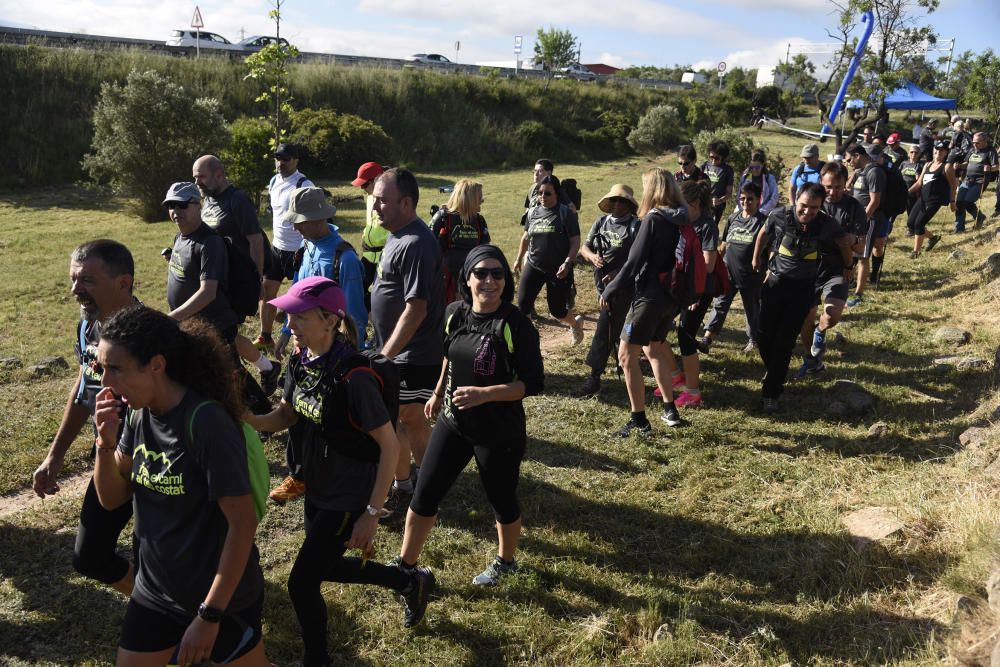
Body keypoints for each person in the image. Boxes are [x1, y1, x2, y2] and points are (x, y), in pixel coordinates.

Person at [246, 278, 434, 664]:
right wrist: (246, 418)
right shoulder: (302, 361)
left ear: (330, 320)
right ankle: (408, 581)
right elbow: (286, 414)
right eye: (288, 315)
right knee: (327, 564)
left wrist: (371, 513)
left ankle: (318, 660)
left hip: (350, 495)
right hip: (317, 484)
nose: (289, 323)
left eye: (299, 315)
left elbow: (389, 445)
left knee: (301, 583)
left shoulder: (356, 378)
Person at [92, 305, 269, 666]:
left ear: (156, 365)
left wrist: (209, 616)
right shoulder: (139, 414)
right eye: (102, 368)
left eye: (116, 369)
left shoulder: (207, 424)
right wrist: (104, 445)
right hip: (155, 591)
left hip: (221, 599)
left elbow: (242, 524)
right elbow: (111, 500)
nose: (105, 382)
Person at [394, 245, 543, 587]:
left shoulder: (515, 325)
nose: (489, 280)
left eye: (498, 274)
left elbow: (533, 383)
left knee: (502, 500)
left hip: (499, 431)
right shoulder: (454, 314)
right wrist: (435, 393)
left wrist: (485, 394)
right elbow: (449, 355)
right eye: (481, 273)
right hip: (453, 421)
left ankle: (506, 562)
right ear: (467, 277)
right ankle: (405, 565)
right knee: (424, 494)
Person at [32, 240, 138, 596]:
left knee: (160, 556)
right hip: (108, 456)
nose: (76, 290)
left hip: (155, 464)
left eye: (87, 281)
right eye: (74, 279)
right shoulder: (87, 329)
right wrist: (55, 455)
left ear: (123, 283)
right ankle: (160, 608)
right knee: (90, 556)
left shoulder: (152, 336)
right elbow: (83, 394)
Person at [268, 187, 368, 506]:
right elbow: (297, 295)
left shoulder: (345, 257)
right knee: (296, 410)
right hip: (303, 347)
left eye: (301, 221)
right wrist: (286, 330)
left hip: (331, 355)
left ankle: (329, 475)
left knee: (327, 419)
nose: (295, 227)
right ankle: (298, 475)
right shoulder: (305, 249)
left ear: (320, 218)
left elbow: (354, 316)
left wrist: (351, 360)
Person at [370, 168, 445, 511]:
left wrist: (385, 356)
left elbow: (415, 310)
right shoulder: (397, 235)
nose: (375, 207)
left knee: (408, 420)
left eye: (382, 201)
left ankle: (425, 488)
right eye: (375, 199)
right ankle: (406, 485)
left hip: (412, 356)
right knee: (399, 420)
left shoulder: (416, 243)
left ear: (407, 202)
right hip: (396, 352)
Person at [601, 168, 686, 435]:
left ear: (652, 189)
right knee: (655, 348)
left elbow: (633, 263)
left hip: (649, 297)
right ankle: (670, 408)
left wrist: (610, 289)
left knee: (627, 356)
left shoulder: (654, 219)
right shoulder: (683, 217)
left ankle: (639, 420)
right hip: (672, 297)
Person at [753, 184, 852, 413]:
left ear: (821, 207)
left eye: (814, 209)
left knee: (784, 341)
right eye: (804, 206)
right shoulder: (779, 215)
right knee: (764, 335)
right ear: (796, 200)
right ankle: (775, 371)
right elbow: (763, 233)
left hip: (802, 289)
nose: (807, 212)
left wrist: (848, 266)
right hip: (775, 283)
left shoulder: (827, 224)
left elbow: (843, 243)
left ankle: (772, 392)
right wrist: (756, 258)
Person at [193, 155, 279, 397]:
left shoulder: (237, 200)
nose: (197, 182)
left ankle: (252, 399)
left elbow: (255, 241)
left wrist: (256, 279)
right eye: (195, 177)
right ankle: (267, 367)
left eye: (202, 177)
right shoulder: (208, 200)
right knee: (224, 332)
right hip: (219, 278)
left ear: (219, 174)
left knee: (222, 336)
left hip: (240, 280)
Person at [795, 162, 866, 378]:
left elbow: (862, 246)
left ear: (846, 184)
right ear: (820, 183)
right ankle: (811, 358)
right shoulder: (811, 203)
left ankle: (821, 331)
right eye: (828, 186)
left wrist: (851, 239)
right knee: (806, 316)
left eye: (837, 186)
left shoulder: (854, 207)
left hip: (838, 268)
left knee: (832, 314)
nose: (832, 191)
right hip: (809, 267)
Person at [576, 184, 641, 396]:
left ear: (629, 205)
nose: (617, 204)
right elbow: (584, 247)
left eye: (622, 201)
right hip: (601, 281)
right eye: (614, 200)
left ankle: (594, 375)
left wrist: (618, 274)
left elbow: (637, 258)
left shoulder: (635, 226)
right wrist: (592, 256)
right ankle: (625, 358)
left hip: (623, 284)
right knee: (617, 323)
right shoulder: (601, 222)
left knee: (605, 326)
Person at [513, 175, 585, 345]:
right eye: (540, 193)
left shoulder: (565, 213)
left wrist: (568, 263)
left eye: (547, 193)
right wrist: (518, 259)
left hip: (558, 268)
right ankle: (525, 342)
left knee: (557, 310)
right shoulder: (533, 212)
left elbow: (575, 241)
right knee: (522, 305)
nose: (542, 197)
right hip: (534, 264)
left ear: (557, 194)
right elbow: (525, 237)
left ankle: (575, 324)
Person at [258, 142, 313, 352]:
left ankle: (303, 341)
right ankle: (265, 337)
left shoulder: (304, 184)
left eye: (285, 159)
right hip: (277, 248)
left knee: (301, 298)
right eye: (278, 158)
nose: (280, 163)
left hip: (299, 250)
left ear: (296, 161)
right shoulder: (273, 181)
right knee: (266, 292)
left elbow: (316, 218)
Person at [702, 181, 766, 353]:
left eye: (750, 199)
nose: (745, 202)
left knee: (751, 309)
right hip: (728, 273)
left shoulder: (763, 222)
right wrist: (716, 264)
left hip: (750, 276)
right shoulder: (732, 218)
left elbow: (770, 250)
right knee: (720, 305)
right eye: (742, 198)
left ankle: (754, 340)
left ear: (758, 200)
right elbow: (723, 244)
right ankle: (707, 339)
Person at [429, 179, 491, 304]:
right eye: (480, 197)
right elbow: (427, 246)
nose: (482, 200)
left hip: (470, 277)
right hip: (444, 279)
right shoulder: (443, 217)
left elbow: (485, 250)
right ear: (470, 199)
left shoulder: (479, 220)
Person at [844, 145, 887, 307]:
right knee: (854, 253)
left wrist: (862, 222)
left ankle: (859, 294)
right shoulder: (861, 172)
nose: (848, 163)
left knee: (863, 256)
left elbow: (874, 201)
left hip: (870, 220)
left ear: (858, 155)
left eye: (849, 160)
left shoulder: (875, 172)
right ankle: (851, 283)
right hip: (858, 219)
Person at [907, 140, 956, 256]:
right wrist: (906, 192)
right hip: (922, 199)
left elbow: (953, 186)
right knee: (911, 223)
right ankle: (933, 238)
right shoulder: (927, 164)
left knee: (919, 224)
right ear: (933, 150)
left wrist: (952, 202)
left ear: (946, 153)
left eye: (942, 150)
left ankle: (916, 252)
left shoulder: (947, 167)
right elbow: (919, 183)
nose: (938, 152)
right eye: (936, 149)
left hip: (935, 201)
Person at [354, 161, 387, 312]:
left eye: (364, 185)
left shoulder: (390, 199)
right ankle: (372, 320)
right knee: (356, 288)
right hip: (368, 255)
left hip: (384, 256)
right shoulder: (370, 196)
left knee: (382, 294)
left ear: (377, 179)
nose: (363, 189)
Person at [954, 132, 997, 232]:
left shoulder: (990, 150)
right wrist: (960, 166)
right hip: (967, 180)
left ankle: (979, 217)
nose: (974, 144)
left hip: (980, 181)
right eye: (973, 142)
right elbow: (966, 163)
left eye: (977, 143)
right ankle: (959, 228)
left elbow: (996, 166)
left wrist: (990, 168)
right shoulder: (972, 149)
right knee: (959, 203)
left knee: (967, 202)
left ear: (984, 142)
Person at [699, 139, 734, 222]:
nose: (713, 160)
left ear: (723, 157)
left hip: (716, 207)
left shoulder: (727, 170)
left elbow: (729, 193)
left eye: (717, 158)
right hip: (702, 204)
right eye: (711, 157)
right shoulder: (704, 165)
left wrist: (720, 200)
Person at [736, 149, 779, 215]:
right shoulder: (745, 176)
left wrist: (762, 211)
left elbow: (774, 198)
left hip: (762, 212)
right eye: (752, 167)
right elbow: (739, 195)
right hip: (744, 211)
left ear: (763, 165)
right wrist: (742, 209)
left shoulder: (769, 178)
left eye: (757, 167)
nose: (754, 170)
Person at [899, 145, 925, 214]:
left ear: (919, 154)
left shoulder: (921, 164)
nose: (913, 154)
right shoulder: (904, 163)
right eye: (911, 152)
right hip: (903, 188)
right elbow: (898, 174)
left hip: (914, 190)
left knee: (912, 208)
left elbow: (921, 180)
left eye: (916, 152)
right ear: (908, 153)